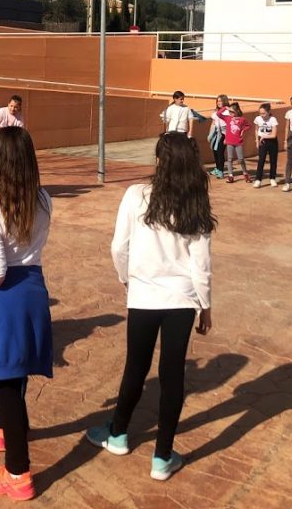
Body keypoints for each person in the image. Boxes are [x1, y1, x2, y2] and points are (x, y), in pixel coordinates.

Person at [86, 132, 214, 482]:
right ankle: (162, 457)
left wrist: (126, 278)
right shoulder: (196, 201)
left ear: (159, 160)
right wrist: (205, 306)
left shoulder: (136, 195)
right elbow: (201, 263)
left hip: (143, 295)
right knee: (173, 375)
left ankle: (118, 434)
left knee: (136, 367)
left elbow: (119, 247)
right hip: (182, 300)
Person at [0, 127, 53, 501]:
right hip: (32, 290)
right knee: (17, 374)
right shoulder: (44, 200)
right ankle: (5, 430)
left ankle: (17, 473)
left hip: (5, 300)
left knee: (7, 383)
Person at [219, 102, 251, 184]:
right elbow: (218, 114)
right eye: (230, 111)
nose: (231, 113)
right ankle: (230, 175)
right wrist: (225, 108)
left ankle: (245, 173)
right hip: (229, 142)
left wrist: (243, 131)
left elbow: (248, 125)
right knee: (229, 159)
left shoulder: (241, 119)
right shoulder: (227, 118)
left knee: (241, 159)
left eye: (232, 112)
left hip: (238, 142)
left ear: (237, 111)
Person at [253, 103, 279, 188]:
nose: (262, 115)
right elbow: (256, 130)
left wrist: (264, 136)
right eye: (260, 113)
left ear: (268, 112)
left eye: (264, 113)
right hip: (262, 142)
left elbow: (274, 135)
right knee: (261, 160)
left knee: (273, 160)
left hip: (272, 142)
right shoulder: (258, 119)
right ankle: (258, 180)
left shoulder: (273, 119)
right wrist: (257, 141)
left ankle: (272, 178)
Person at [207, 94, 230, 179]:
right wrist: (210, 135)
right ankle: (217, 168)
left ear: (224, 101)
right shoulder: (215, 112)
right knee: (215, 151)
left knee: (220, 151)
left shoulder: (227, 112)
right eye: (217, 101)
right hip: (216, 133)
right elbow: (213, 123)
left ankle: (221, 171)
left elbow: (228, 125)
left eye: (220, 101)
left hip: (224, 133)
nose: (218, 103)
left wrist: (227, 137)